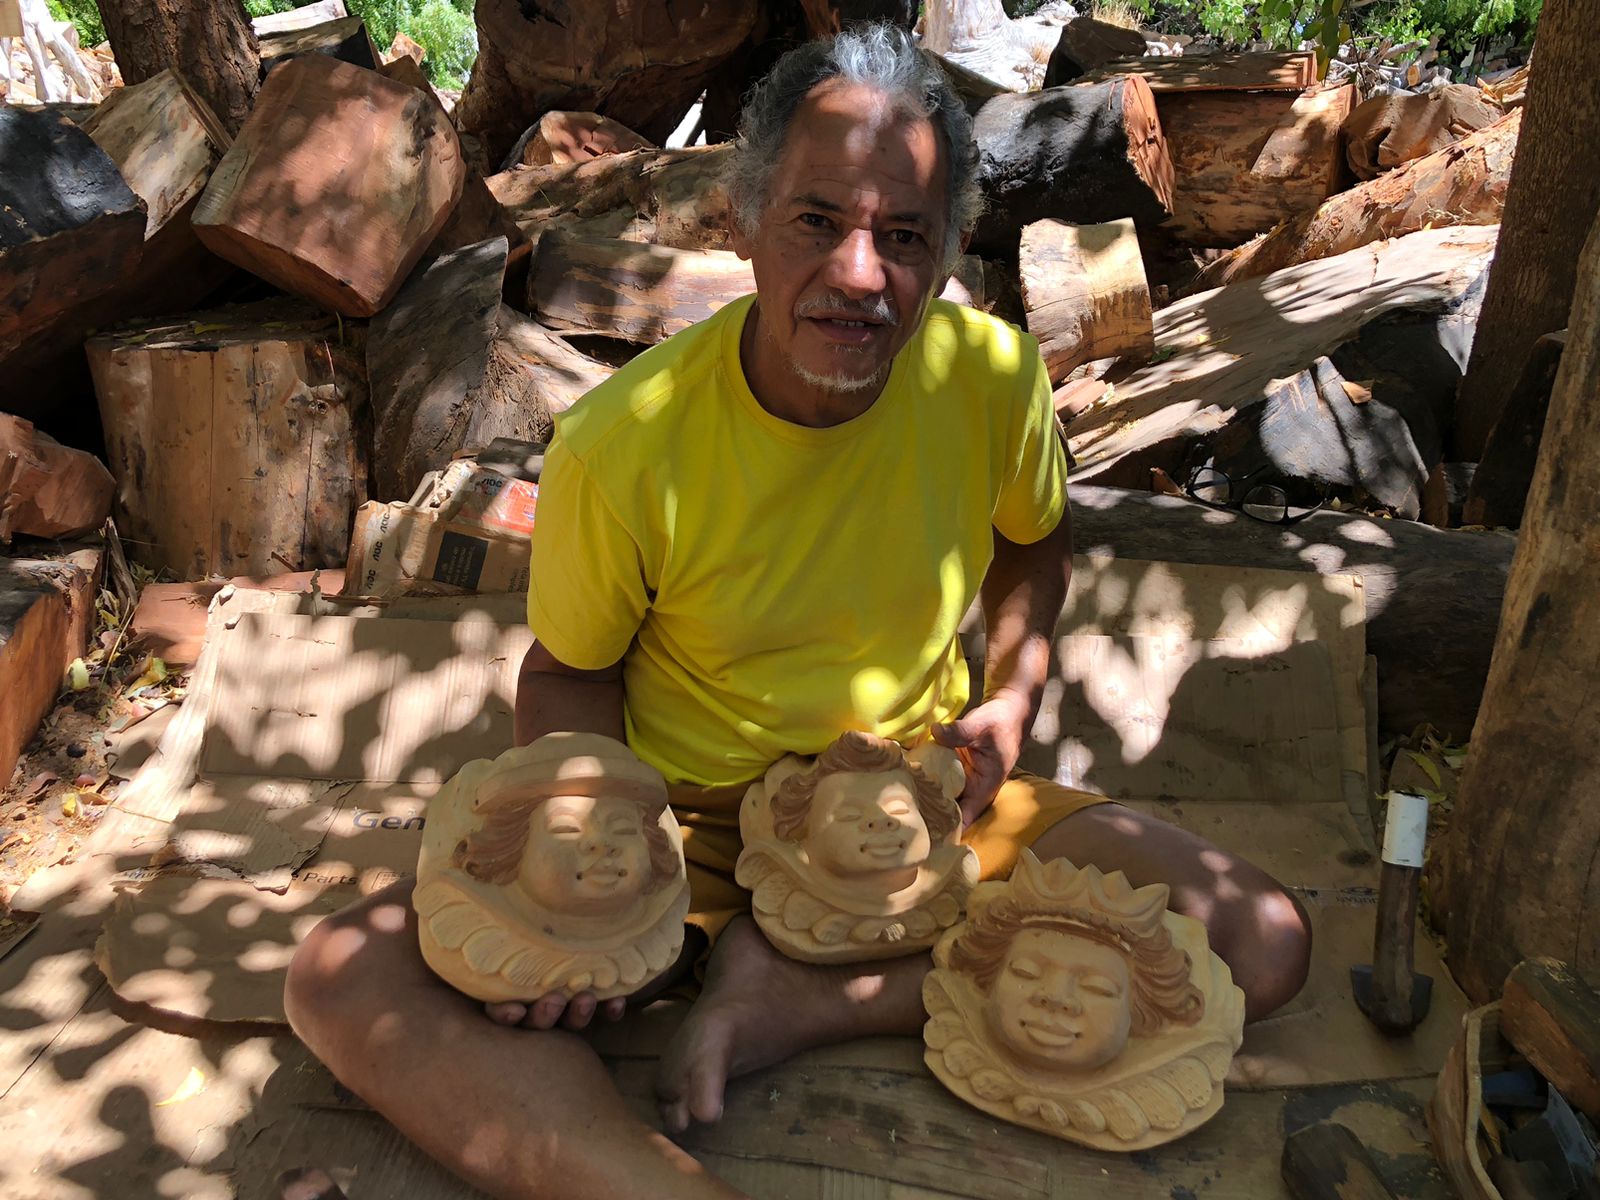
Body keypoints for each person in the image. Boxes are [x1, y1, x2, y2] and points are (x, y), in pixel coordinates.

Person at [284, 24, 1311, 1199]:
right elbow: (566, 676)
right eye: (818, 222)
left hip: (917, 805)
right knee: (338, 973)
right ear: (744, 222)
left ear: (949, 251)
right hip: (688, 828)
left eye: (905, 237)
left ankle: (796, 1000)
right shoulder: (627, 444)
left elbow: (1035, 543)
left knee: (1261, 942)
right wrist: (589, 879)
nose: (861, 276)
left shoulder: (991, 377)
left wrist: (1014, 700)